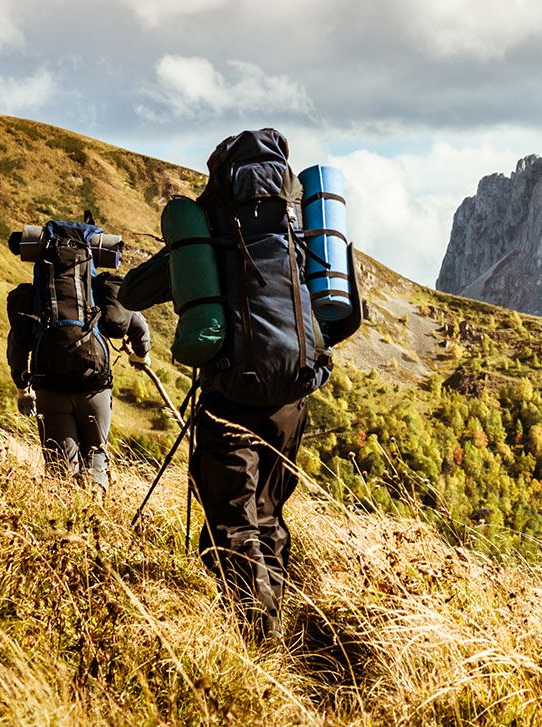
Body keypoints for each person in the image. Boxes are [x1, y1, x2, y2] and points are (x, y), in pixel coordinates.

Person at [120, 129, 362, 641]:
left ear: (222, 178)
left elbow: (136, 294)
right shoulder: (302, 231)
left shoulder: (208, 230)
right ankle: (278, 626)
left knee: (232, 523)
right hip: (293, 399)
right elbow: (345, 316)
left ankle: (258, 642)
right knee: (269, 515)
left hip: (230, 398)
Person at [6, 271, 151, 489]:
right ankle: (94, 507)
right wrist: (141, 355)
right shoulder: (99, 291)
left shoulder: (34, 296)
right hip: (94, 388)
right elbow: (137, 323)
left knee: (59, 465)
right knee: (95, 452)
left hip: (50, 388)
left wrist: (22, 388)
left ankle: (65, 513)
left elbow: (17, 347)